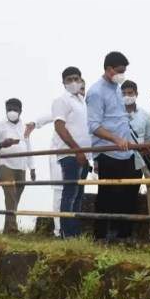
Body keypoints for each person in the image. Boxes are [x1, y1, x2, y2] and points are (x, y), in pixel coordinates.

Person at [86, 51, 141, 243]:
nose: (122, 74)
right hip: (107, 151)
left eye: (124, 71)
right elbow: (94, 126)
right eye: (119, 71)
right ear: (109, 69)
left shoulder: (117, 88)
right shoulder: (95, 92)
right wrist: (115, 139)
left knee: (127, 194)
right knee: (107, 194)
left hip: (126, 151)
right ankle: (101, 236)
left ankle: (123, 236)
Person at [27, 80, 88, 238]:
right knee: (61, 192)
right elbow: (52, 116)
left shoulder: (84, 107)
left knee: (77, 192)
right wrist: (35, 123)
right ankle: (58, 231)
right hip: (62, 153)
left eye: (83, 87)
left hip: (82, 156)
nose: (80, 89)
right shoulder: (64, 103)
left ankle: (70, 231)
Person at [51, 67, 91, 237]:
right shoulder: (61, 100)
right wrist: (77, 150)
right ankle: (65, 233)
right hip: (70, 154)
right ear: (63, 82)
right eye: (69, 79)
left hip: (85, 154)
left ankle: (73, 232)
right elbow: (59, 127)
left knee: (79, 194)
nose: (73, 82)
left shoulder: (82, 101)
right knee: (70, 193)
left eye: (76, 78)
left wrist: (87, 154)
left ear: (81, 80)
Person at [0, 98, 36, 235]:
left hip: (21, 166)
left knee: (15, 199)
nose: (12, 112)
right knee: (11, 195)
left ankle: (7, 229)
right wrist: (1, 144)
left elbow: (27, 146)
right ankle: (12, 229)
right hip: (5, 164)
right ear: (5, 110)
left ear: (20, 110)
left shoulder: (24, 126)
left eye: (15, 109)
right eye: (9, 109)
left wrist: (32, 167)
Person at [121, 80, 150, 241]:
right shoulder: (114, 115)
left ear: (136, 94)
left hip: (144, 158)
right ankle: (124, 233)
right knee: (126, 194)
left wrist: (149, 145)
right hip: (123, 159)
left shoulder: (144, 115)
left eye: (130, 93)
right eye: (124, 93)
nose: (127, 96)